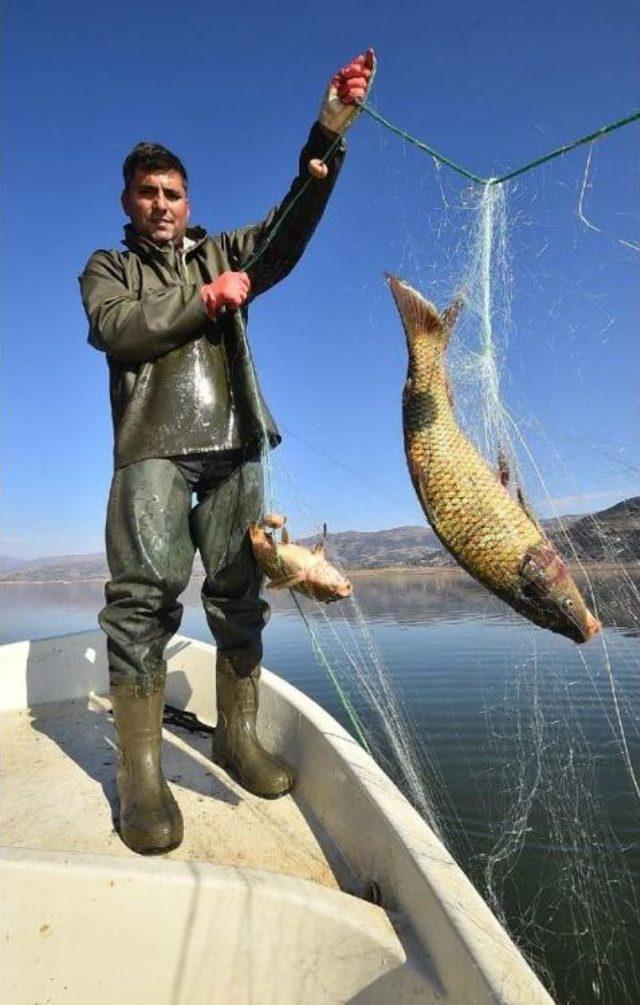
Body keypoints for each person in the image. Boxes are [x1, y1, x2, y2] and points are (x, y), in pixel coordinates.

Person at [80, 50, 375, 855]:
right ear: (128, 201)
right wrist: (202, 299)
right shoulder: (108, 269)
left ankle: (235, 740)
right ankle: (142, 773)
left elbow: (285, 233)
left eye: (173, 192)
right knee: (142, 599)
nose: (162, 204)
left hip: (236, 441)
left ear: (189, 200)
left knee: (241, 593)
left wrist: (330, 131)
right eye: (148, 193)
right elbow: (117, 329)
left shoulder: (225, 250)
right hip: (151, 448)